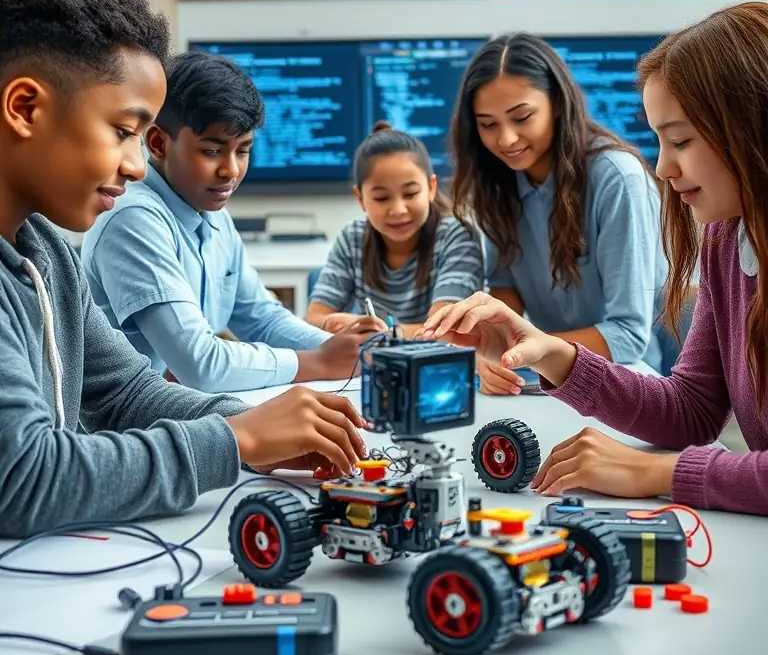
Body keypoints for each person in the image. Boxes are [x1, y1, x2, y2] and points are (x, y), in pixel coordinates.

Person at [0, 0, 367, 538]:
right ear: (25, 108)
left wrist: (272, 430)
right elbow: (24, 477)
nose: (139, 166)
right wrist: (235, 438)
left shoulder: (47, 255)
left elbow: (125, 394)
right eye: (123, 132)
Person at [422, 2, 768, 517]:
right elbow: (692, 410)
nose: (664, 167)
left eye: (681, 141)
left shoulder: (617, 179)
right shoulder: (725, 238)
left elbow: (629, 336)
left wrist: (653, 472)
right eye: (659, 141)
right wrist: (545, 353)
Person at [82, 50, 379, 393]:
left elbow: (262, 319)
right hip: (126, 432)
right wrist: (321, 361)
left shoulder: (213, 215)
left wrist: (353, 349)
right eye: (212, 151)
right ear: (159, 143)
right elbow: (200, 364)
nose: (231, 170)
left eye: (242, 151)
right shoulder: (132, 218)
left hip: (179, 410)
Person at [450, 33, 667, 396]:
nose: (505, 139)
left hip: (628, 383)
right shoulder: (498, 183)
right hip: (549, 376)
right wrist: (494, 347)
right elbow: (506, 285)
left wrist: (525, 351)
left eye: (522, 117)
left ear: (557, 104)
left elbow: (628, 335)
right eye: (488, 124)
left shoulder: (617, 178)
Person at [306, 121, 484, 337]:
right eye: (381, 198)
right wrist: (333, 323)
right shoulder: (352, 238)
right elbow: (314, 319)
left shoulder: (458, 236)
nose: (398, 210)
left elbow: (445, 328)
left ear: (431, 188)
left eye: (410, 194)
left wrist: (385, 333)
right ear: (360, 199)